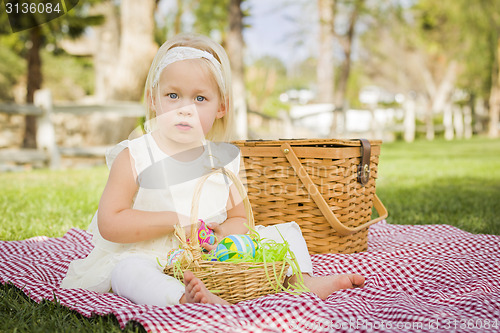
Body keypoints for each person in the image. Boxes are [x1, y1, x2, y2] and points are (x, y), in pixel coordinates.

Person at [60, 33, 365, 306]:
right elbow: (110, 223)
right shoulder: (136, 155)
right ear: (153, 100)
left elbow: (239, 219)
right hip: (149, 254)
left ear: (221, 107)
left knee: (281, 233)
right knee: (126, 273)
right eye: (173, 95)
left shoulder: (222, 159)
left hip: (212, 256)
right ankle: (181, 297)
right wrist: (178, 221)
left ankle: (299, 280)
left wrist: (222, 234)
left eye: (200, 98)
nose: (185, 108)